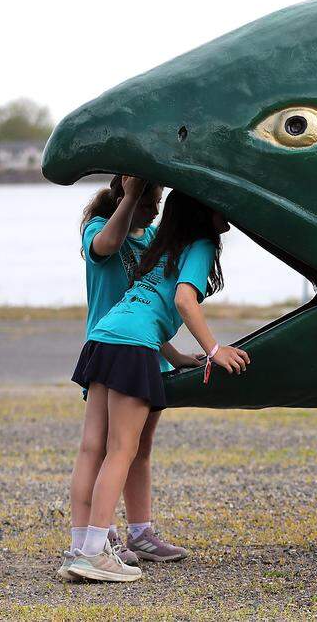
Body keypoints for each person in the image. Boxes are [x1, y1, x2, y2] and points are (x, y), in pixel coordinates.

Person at [65, 191, 250, 582]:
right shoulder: (199, 244)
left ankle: (80, 547)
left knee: (92, 448)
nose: (228, 212)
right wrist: (214, 349)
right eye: (222, 204)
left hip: (103, 338)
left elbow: (140, 308)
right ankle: (95, 554)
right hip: (131, 347)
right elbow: (184, 301)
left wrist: (176, 354)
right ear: (203, 212)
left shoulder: (162, 247)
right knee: (122, 450)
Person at [59, 176, 201, 582]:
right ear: (126, 196)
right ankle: (93, 541)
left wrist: (173, 354)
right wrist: (131, 197)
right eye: (148, 202)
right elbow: (105, 247)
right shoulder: (98, 228)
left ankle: (139, 533)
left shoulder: (154, 237)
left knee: (137, 448)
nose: (154, 211)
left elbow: (151, 300)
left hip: (147, 353)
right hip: (111, 351)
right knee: (103, 448)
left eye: (157, 202)